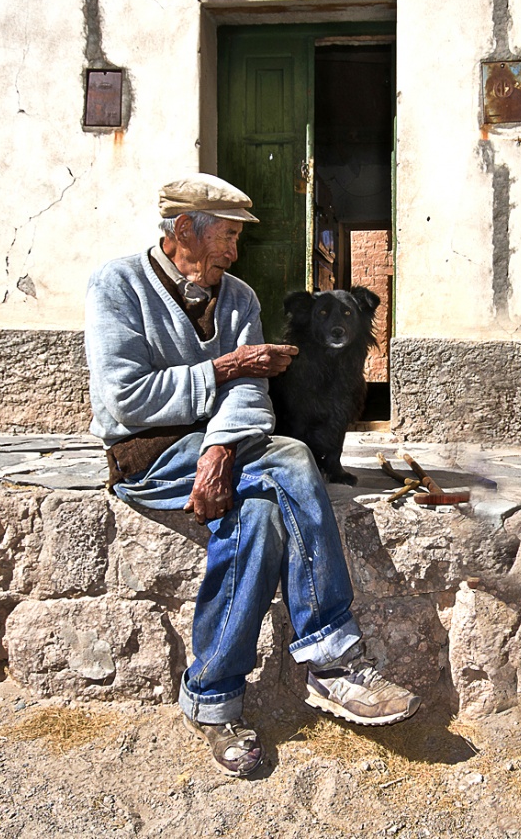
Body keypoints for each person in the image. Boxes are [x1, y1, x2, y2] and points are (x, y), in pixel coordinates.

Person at [84, 172, 420, 778]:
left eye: (238, 241)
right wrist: (225, 367)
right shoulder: (117, 285)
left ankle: (213, 700)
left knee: (259, 517)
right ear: (184, 229)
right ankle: (332, 659)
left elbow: (251, 398)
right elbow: (127, 399)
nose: (235, 254)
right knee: (290, 456)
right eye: (229, 239)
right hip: (149, 456)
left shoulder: (237, 296)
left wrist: (218, 449)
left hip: (223, 453)